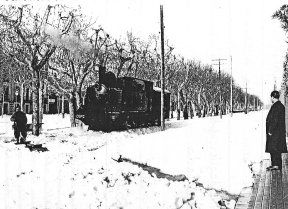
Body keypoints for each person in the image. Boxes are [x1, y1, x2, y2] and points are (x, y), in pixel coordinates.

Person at [266, 90, 287, 171]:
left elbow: (275, 119)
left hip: (275, 132)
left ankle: (276, 165)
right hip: (278, 132)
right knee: (275, 148)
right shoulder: (280, 105)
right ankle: (275, 164)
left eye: (271, 97)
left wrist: (270, 130)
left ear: (272, 97)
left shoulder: (276, 106)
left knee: (274, 148)